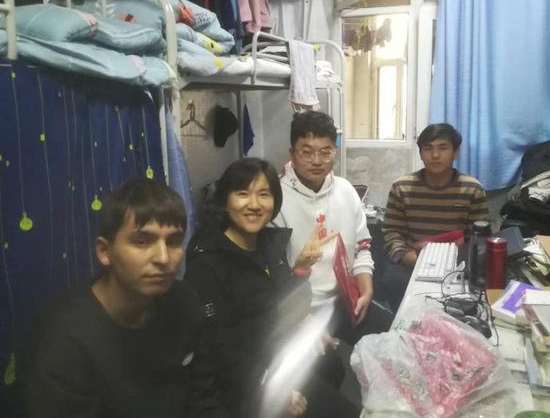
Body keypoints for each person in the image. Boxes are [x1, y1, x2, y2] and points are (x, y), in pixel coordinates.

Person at [21, 179, 228, 418]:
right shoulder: (64, 343)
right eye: (142, 241)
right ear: (104, 251)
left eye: (173, 242)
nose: (163, 258)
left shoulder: (185, 302)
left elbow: (204, 399)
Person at [184, 157, 359, 418]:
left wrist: (300, 269)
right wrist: (268, 386)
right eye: (243, 193)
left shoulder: (267, 247)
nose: (254, 204)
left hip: (277, 362)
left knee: (333, 370)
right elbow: (219, 349)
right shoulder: (208, 263)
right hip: (244, 387)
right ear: (225, 201)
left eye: (264, 194)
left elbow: (290, 307)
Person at [272, 111, 393, 356]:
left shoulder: (346, 191)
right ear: (292, 154)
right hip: (296, 309)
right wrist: (301, 318)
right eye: (307, 152)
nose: (317, 161)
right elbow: (273, 276)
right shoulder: (275, 199)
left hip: (343, 301)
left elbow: (362, 248)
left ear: (335, 153)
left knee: (394, 336)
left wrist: (366, 290)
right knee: (328, 369)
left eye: (325, 152)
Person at [381, 123, 489, 311]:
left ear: (456, 152)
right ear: (421, 154)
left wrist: (453, 264)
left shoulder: (472, 189)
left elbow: (478, 238)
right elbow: (392, 231)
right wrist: (407, 257)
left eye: (443, 148)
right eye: (428, 149)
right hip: (413, 260)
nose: (435, 155)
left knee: (468, 302)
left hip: (456, 265)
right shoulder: (402, 187)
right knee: (392, 280)